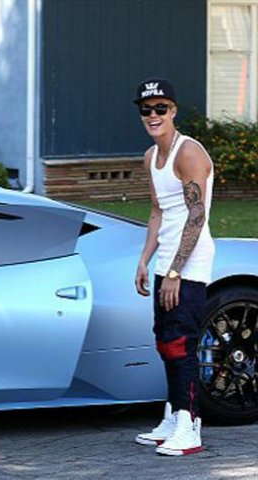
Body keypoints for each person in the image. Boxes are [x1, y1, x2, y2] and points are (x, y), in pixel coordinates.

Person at [132, 78, 215, 456]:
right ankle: (173, 415)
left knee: (182, 343)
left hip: (190, 264)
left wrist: (176, 272)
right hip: (166, 260)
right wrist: (145, 260)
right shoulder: (151, 157)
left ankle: (189, 424)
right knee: (165, 342)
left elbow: (196, 217)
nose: (153, 115)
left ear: (174, 111)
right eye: (146, 109)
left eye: (161, 108)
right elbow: (157, 211)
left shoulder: (189, 153)